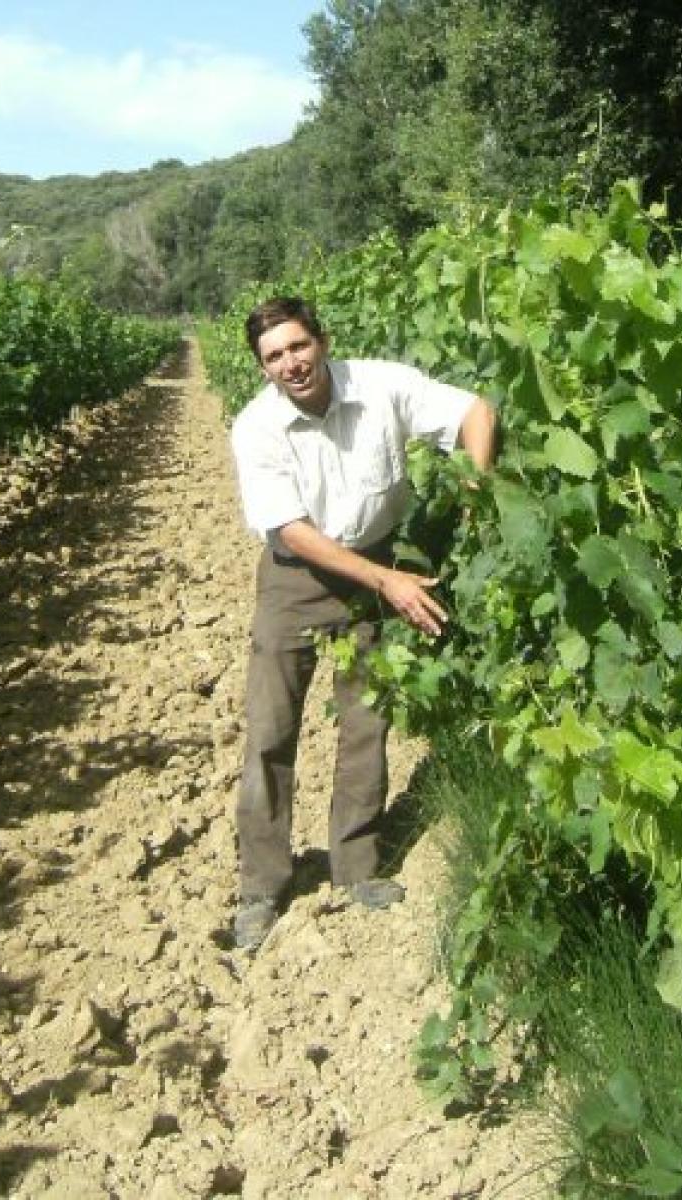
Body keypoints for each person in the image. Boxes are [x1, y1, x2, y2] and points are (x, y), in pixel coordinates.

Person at [228, 295, 497, 951]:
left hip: (376, 560)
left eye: (298, 346)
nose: (291, 363)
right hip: (297, 578)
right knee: (270, 729)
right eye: (274, 356)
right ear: (262, 368)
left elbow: (477, 412)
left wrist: (475, 491)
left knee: (366, 720)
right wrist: (385, 581)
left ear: (322, 341)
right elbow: (293, 530)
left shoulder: (380, 386)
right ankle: (262, 886)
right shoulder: (256, 428)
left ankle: (356, 867)